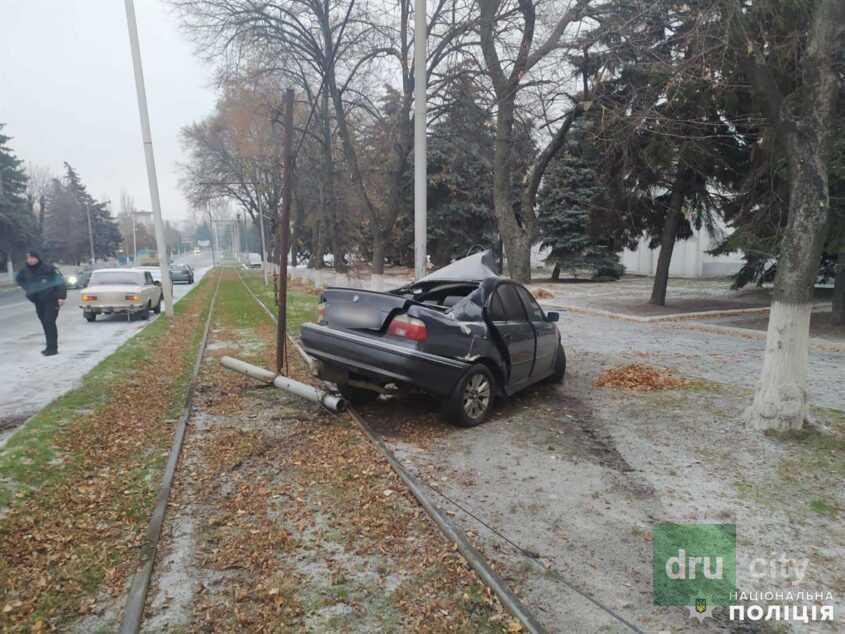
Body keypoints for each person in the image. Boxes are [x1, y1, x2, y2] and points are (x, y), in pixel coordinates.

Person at [15, 250, 67, 356]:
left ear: (37, 258)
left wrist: (61, 297)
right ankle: (49, 346)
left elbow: (60, 282)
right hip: (38, 301)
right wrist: (28, 289)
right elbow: (19, 279)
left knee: (49, 322)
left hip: (51, 300)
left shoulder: (49, 268)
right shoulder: (25, 270)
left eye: (32, 258)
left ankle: (52, 348)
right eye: (28, 258)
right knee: (44, 323)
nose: (30, 260)